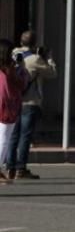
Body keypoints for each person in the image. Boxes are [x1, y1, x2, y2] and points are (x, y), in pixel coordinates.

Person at [5, 31, 57, 179]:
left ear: (20, 41)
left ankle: (10, 167)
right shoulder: (35, 59)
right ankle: (21, 168)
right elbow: (52, 73)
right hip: (29, 102)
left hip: (13, 100)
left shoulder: (12, 54)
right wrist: (49, 58)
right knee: (25, 136)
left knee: (13, 135)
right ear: (34, 43)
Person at [0, 39, 29, 185]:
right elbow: (21, 84)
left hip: (3, 105)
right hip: (6, 106)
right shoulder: (9, 68)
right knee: (4, 140)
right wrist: (22, 69)